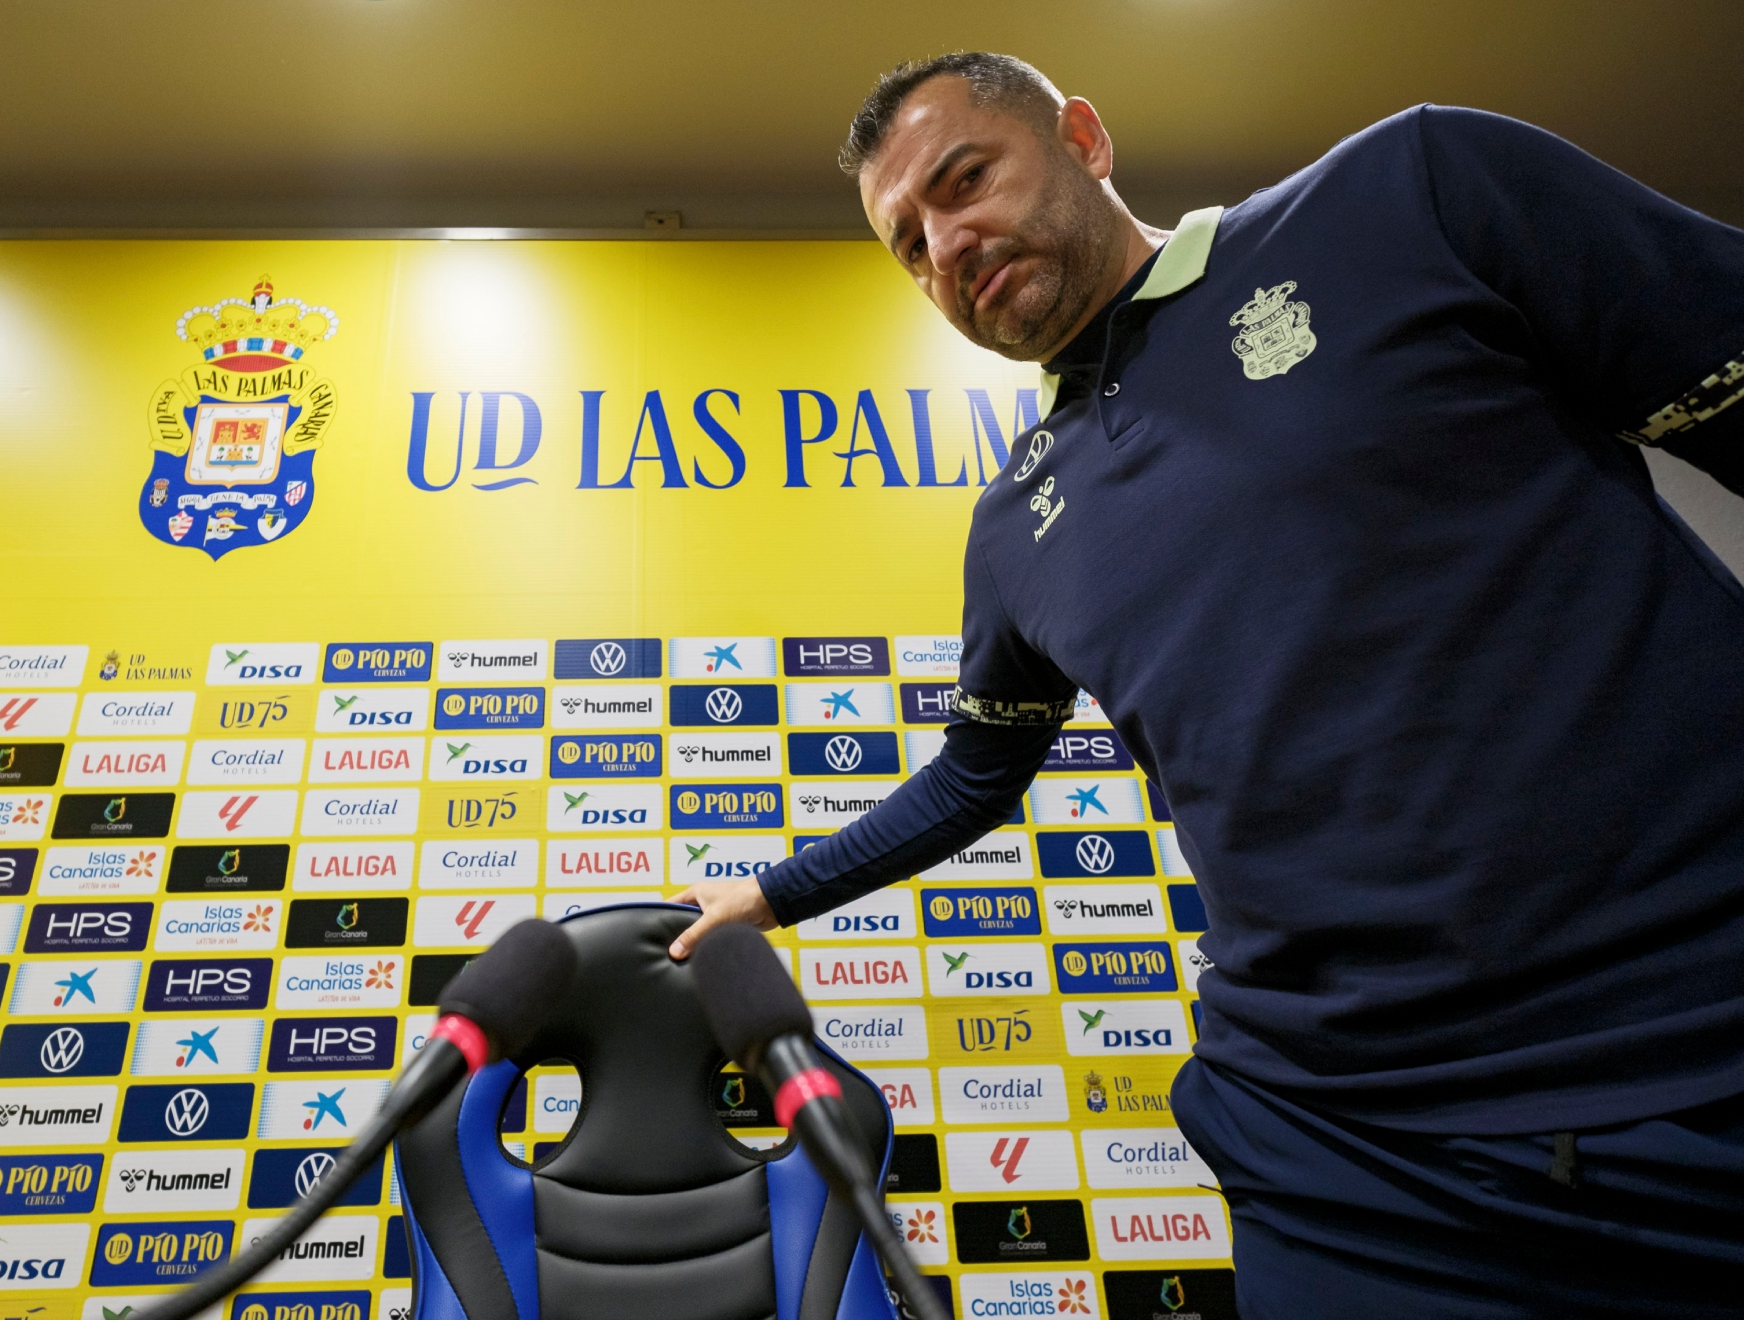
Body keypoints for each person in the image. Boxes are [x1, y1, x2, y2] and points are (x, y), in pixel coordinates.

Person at [666, 51, 1744, 1318]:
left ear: (1083, 137)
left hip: (1695, 1068)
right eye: (910, 243)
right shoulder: (1016, 524)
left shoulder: (1412, 191)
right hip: (1342, 1157)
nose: (949, 243)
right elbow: (973, 775)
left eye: (966, 181)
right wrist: (773, 893)